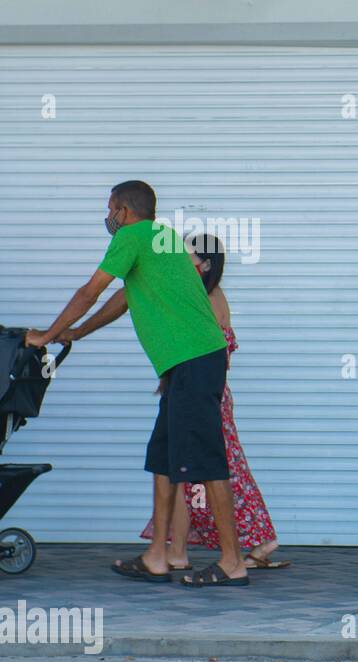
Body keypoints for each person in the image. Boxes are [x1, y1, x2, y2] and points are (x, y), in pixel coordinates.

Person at [26, 180, 249, 588]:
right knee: (164, 457)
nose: (108, 217)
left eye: (111, 209)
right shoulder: (162, 239)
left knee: (207, 459)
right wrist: (76, 333)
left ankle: (233, 561)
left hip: (195, 359)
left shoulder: (132, 236)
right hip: (187, 363)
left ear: (124, 211)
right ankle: (157, 557)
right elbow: (124, 298)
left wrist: (46, 334)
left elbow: (90, 291)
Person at [106, 234, 285, 571]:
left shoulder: (209, 297)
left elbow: (216, 349)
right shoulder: (192, 294)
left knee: (215, 471)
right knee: (183, 473)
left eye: (186, 255)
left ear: (205, 264)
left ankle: (254, 543)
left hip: (206, 395)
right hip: (192, 390)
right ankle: (175, 551)